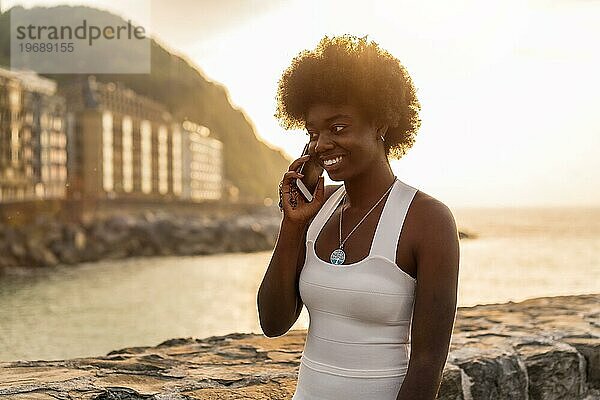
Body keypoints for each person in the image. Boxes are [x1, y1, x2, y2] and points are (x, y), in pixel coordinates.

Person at [257, 34, 460, 400]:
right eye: (313, 133)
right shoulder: (316, 213)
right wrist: (292, 223)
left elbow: (428, 362)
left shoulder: (429, 220)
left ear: (380, 123)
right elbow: (273, 323)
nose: (321, 145)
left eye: (338, 128)